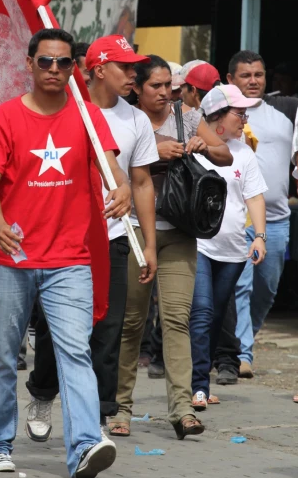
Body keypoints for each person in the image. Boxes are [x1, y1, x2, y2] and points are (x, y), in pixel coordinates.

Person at [0, 28, 130, 478]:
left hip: (69, 259)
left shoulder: (87, 115)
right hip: (12, 257)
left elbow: (111, 165)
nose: (55, 70)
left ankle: (84, 445)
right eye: (46, 62)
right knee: (1, 353)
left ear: (74, 69)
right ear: (29, 64)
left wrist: (119, 187)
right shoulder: (5, 117)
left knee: (74, 351)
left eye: (64, 63)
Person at [24, 34, 158, 441]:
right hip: (63, 239)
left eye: (136, 67)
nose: (133, 75)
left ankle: (96, 420)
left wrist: (148, 244)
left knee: (108, 327)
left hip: (113, 238)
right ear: (99, 68)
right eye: (126, 67)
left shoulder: (136, 120)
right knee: (53, 328)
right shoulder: (68, 111)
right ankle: (44, 393)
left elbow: (141, 182)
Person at [110, 55, 232, 441]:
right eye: (156, 86)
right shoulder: (124, 119)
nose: (165, 93)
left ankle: (182, 410)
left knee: (177, 319)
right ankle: (120, 409)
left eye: (170, 86)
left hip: (179, 230)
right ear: (138, 88)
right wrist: (152, 152)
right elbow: (107, 165)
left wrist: (202, 146)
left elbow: (225, 154)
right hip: (131, 231)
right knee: (132, 323)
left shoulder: (188, 116)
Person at [189, 84, 267, 410]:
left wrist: (260, 236)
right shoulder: (194, 147)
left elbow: (254, 196)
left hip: (234, 252)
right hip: (199, 246)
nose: (245, 117)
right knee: (203, 312)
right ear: (218, 116)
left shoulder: (245, 153)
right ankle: (198, 386)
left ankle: (200, 375)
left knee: (218, 314)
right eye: (239, 112)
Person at [226, 51, 295, 378]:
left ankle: (243, 339)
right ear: (231, 80)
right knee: (241, 286)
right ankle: (242, 352)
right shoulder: (221, 115)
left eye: (258, 74)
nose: (253, 81)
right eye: (245, 75)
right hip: (237, 219)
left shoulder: (286, 113)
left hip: (278, 219)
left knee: (266, 288)